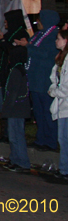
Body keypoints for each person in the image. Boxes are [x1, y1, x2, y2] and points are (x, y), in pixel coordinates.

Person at [26, 10, 60, 152]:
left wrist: (27, 47)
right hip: (35, 79)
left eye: (39, 20)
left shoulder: (54, 36)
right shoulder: (39, 35)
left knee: (48, 112)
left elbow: (46, 54)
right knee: (39, 112)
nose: (37, 22)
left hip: (45, 80)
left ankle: (51, 141)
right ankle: (41, 139)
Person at [1, 44, 31, 173]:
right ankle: (15, 159)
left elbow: (12, 92)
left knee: (16, 136)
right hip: (18, 108)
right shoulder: (19, 70)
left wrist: (7, 108)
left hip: (16, 109)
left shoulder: (16, 71)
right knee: (15, 135)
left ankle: (22, 162)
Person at [48, 30, 68, 180]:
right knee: (62, 138)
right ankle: (63, 168)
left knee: (64, 138)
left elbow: (65, 87)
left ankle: (64, 169)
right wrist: (54, 88)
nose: (56, 41)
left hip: (65, 103)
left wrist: (55, 91)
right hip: (62, 105)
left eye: (59, 38)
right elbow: (55, 78)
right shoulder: (61, 58)